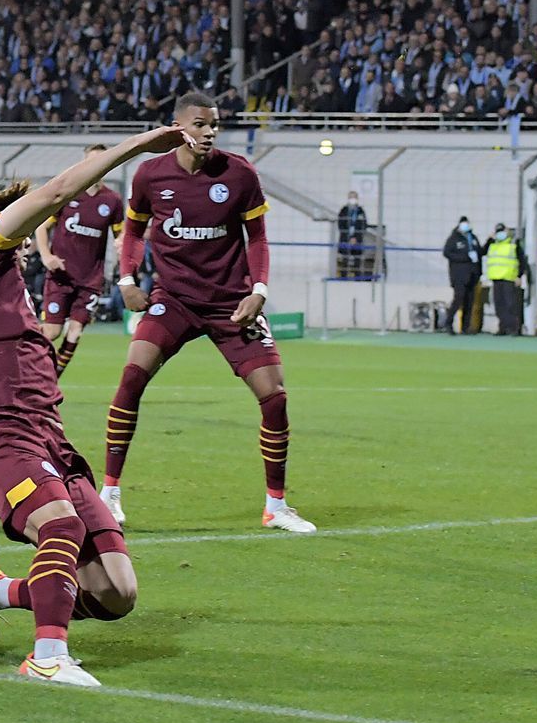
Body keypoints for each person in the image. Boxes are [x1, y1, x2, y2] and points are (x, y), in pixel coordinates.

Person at [0, 121, 185, 686]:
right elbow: (53, 193)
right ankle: (47, 659)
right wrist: (136, 148)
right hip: (10, 438)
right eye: (23, 239)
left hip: (46, 443)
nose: (27, 247)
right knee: (60, 526)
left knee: (115, 592)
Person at [102, 93, 317, 534]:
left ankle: (275, 506)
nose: (209, 132)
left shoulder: (239, 173)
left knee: (274, 397)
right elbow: (134, 232)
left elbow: (257, 239)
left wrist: (259, 290)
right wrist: (126, 280)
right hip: (173, 300)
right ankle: (109, 495)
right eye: (200, 124)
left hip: (230, 303)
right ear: (178, 127)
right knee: (131, 377)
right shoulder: (149, 173)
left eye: (214, 125)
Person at [33, 145, 124, 376]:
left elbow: (121, 235)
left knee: (75, 333)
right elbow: (42, 227)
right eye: (90, 162)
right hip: (61, 276)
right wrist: (46, 256)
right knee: (52, 332)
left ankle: (50, 379)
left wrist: (123, 245)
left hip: (90, 280)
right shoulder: (68, 193)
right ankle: (27, 367)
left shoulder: (112, 201)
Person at [483, 223, 530, 335]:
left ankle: (514, 328)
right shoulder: (493, 244)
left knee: (511, 305)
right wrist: (489, 239)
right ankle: (503, 327)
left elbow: (522, 261)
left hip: (509, 278)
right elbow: (482, 252)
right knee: (499, 304)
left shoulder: (514, 244)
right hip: (496, 278)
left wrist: (519, 276)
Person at [441, 215, 483, 334]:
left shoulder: (472, 238)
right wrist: (464, 257)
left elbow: (479, 253)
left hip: (472, 274)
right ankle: (448, 323)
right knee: (458, 299)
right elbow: (447, 253)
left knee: (469, 301)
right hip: (459, 274)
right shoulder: (454, 238)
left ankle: (465, 327)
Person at [336, 191, 369, 277]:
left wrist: (355, 238)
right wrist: (348, 237)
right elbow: (340, 224)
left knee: (357, 261)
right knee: (345, 260)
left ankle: (357, 279)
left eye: (354, 197)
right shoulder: (344, 210)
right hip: (345, 239)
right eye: (351, 197)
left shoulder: (360, 211)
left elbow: (363, 225)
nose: (352, 199)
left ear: (357, 199)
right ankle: (343, 278)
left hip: (357, 240)